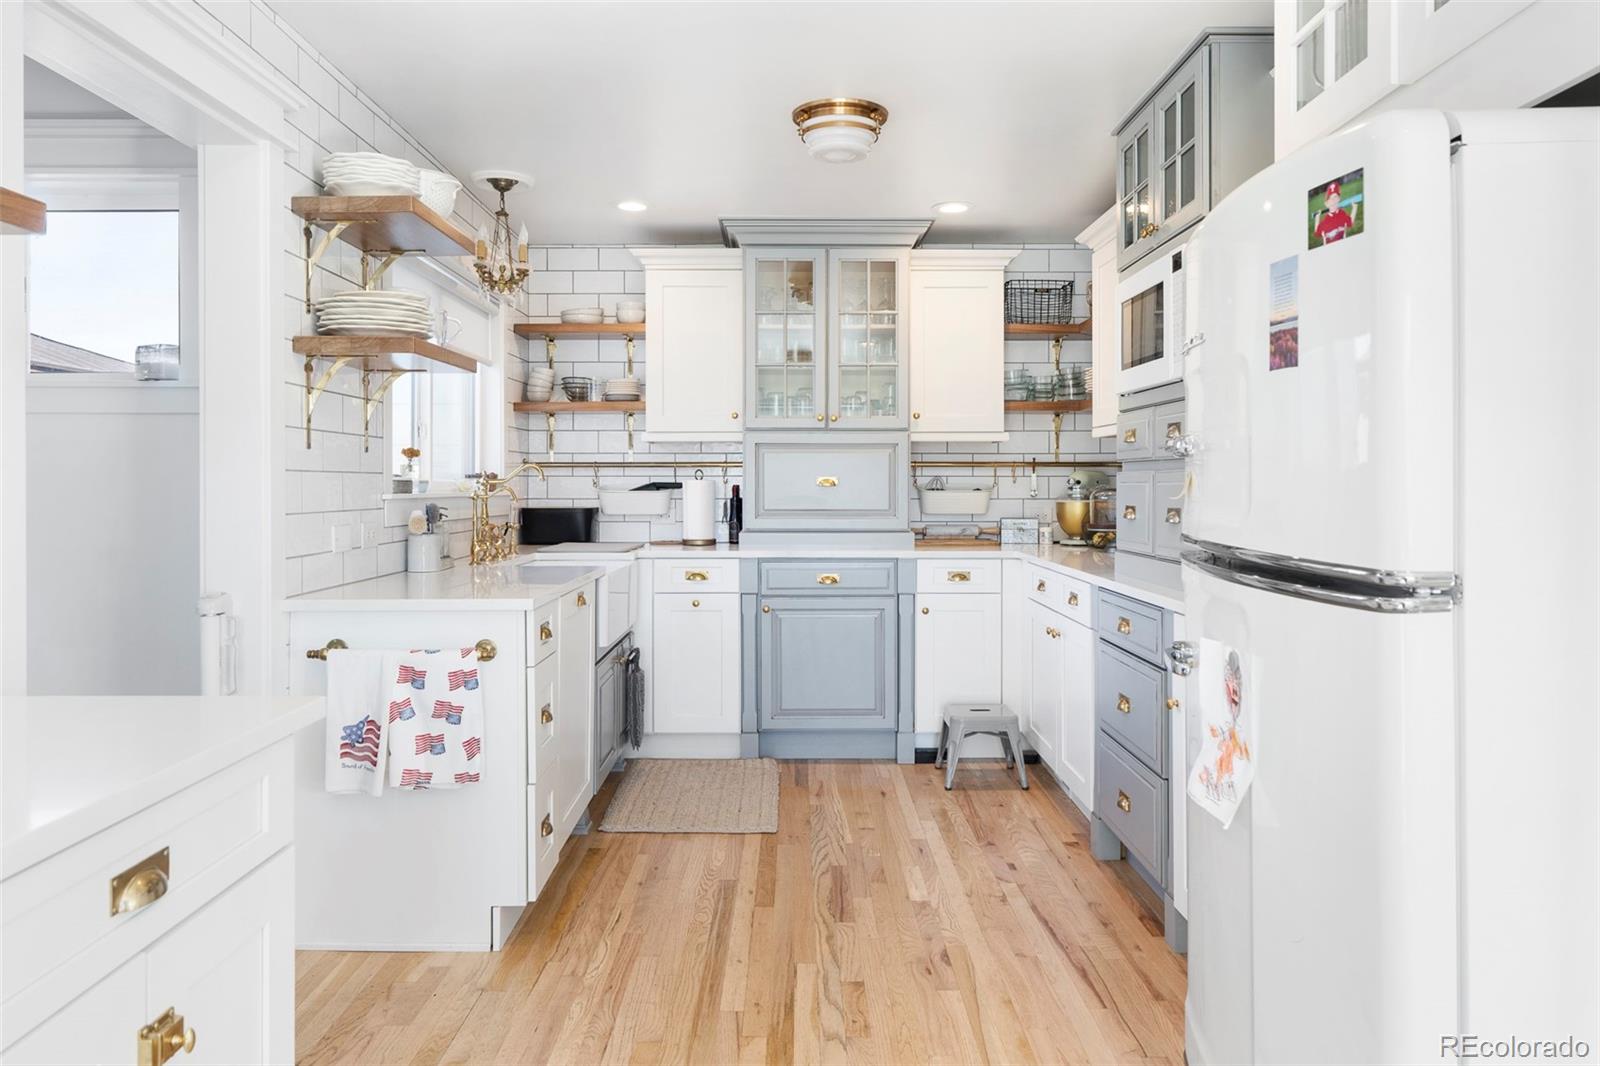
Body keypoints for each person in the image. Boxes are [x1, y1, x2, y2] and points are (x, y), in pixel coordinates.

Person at [1314, 180, 1355, 244]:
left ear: (1339, 199)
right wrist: (1317, 219)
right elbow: (1317, 233)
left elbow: (1350, 223)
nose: (1333, 200)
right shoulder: (1325, 221)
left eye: (1335, 197)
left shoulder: (1342, 213)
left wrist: (1354, 208)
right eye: (1330, 198)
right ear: (1326, 204)